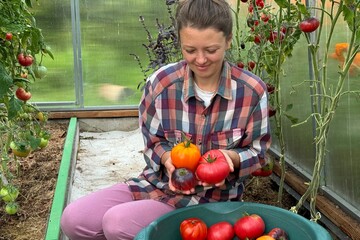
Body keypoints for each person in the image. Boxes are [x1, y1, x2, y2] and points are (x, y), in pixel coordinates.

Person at [60, 0, 271, 239]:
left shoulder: (251, 91)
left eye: (211, 50)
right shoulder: (162, 84)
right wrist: (168, 159)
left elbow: (259, 152)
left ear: (228, 40)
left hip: (211, 201)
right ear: (180, 42)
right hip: (156, 185)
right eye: (190, 50)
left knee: (117, 224)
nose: (200, 60)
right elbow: (154, 142)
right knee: (74, 220)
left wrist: (230, 159)